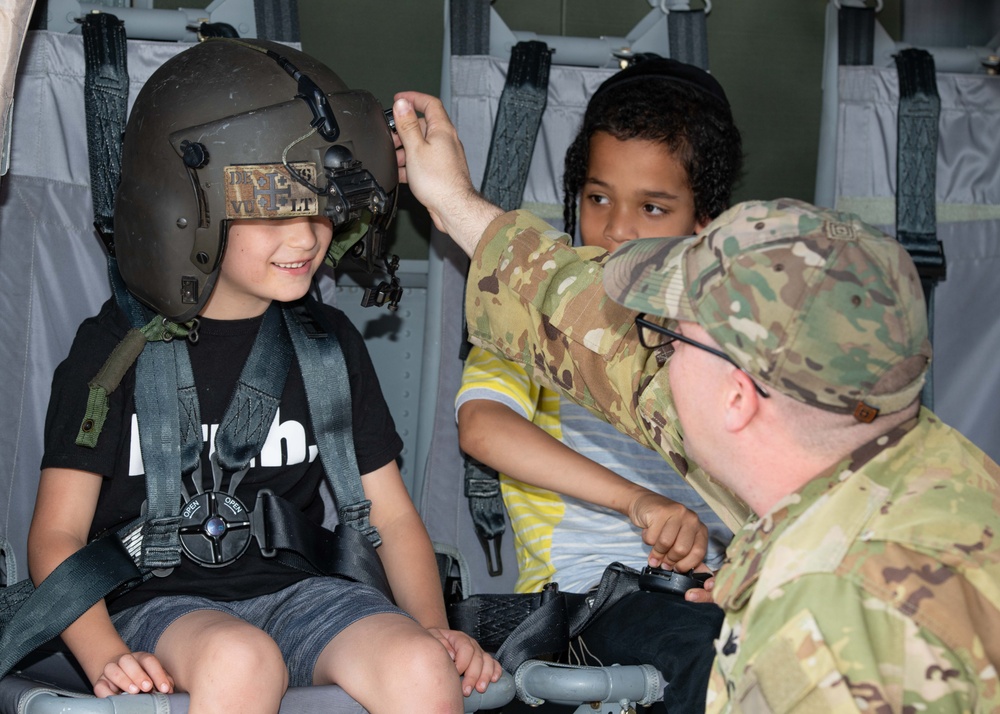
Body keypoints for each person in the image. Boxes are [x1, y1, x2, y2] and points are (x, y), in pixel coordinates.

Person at [392, 91, 1000, 711]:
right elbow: (603, 344)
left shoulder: (822, 643)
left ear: (738, 399)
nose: (651, 358)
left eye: (670, 338)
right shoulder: (916, 462)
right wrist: (454, 203)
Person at [27, 40, 498, 714]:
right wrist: (106, 657)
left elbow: (391, 516)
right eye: (275, 211)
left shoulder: (326, 345)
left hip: (301, 594)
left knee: (422, 666)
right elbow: (57, 538)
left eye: (318, 209)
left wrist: (436, 630)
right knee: (241, 659)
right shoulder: (111, 352)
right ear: (193, 212)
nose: (306, 238)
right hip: (157, 608)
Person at [455, 58, 739, 711]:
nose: (616, 229)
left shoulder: (731, 330)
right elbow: (484, 427)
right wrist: (639, 503)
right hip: (586, 600)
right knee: (721, 664)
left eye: (652, 207)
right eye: (598, 198)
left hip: (722, 594)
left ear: (705, 221)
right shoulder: (534, 315)